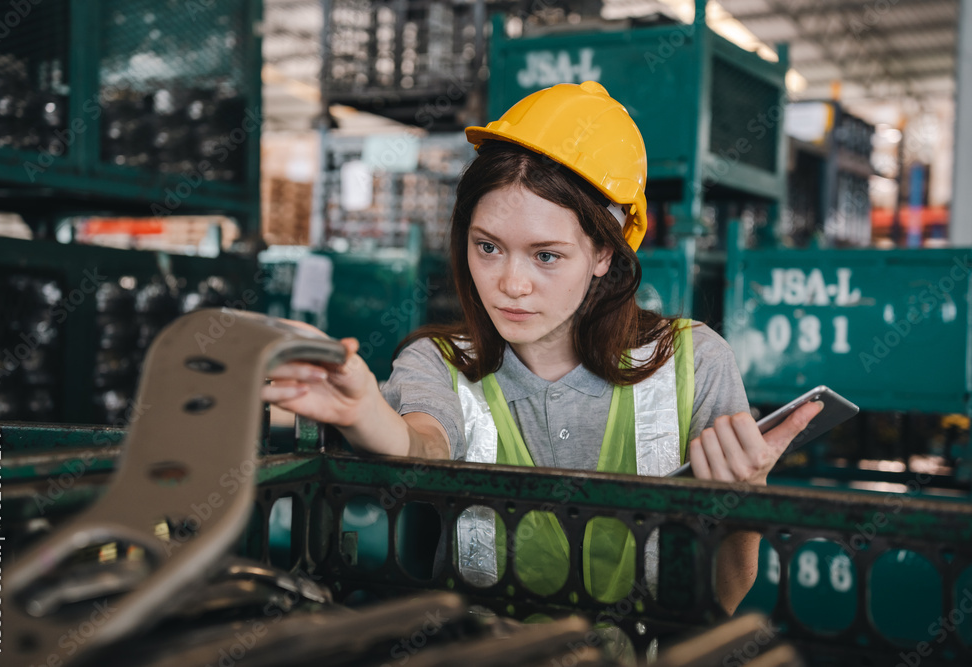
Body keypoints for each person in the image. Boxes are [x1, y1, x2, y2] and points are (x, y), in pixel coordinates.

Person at [263, 81, 821, 615]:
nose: (511, 283)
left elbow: (723, 598)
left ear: (604, 253)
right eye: (488, 247)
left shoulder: (694, 363)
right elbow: (423, 443)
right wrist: (366, 412)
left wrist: (745, 498)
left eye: (546, 255)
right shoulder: (438, 362)